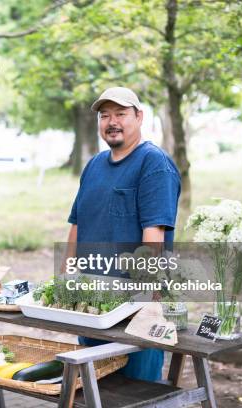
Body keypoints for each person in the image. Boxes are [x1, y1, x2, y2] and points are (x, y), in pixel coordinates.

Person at [67, 87, 181, 381]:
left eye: (120, 114)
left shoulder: (154, 163)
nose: (111, 121)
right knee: (95, 387)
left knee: (137, 389)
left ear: (139, 117)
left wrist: (145, 300)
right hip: (92, 301)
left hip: (136, 305)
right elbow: (77, 225)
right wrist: (66, 281)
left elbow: (153, 234)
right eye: (105, 115)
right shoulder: (93, 166)